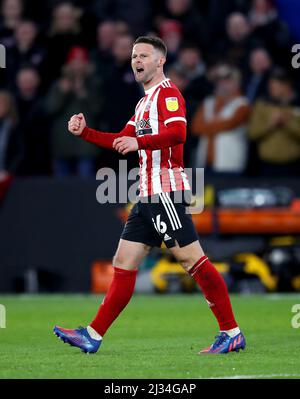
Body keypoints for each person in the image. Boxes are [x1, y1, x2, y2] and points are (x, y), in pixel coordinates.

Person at [53, 36, 246, 355]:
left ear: (160, 61)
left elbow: (179, 133)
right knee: (124, 261)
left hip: (165, 191)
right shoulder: (143, 102)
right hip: (147, 196)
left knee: (190, 259)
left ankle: (231, 331)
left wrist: (139, 144)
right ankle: (92, 334)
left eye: (144, 55)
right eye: (133, 56)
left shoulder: (168, 94)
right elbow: (121, 140)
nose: (136, 60)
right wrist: (85, 132)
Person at [191, 64, 251, 174]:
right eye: (220, 81)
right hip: (204, 162)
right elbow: (196, 128)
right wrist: (216, 124)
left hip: (230, 164)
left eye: (228, 81)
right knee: (197, 191)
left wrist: (208, 125)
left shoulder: (243, 104)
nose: (223, 85)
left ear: (237, 83)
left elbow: (230, 124)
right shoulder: (208, 102)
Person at [248, 68, 300, 176]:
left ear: (286, 86)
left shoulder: (297, 104)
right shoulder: (262, 104)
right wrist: (270, 125)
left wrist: (287, 123)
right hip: (266, 166)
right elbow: (252, 134)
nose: (271, 90)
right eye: (270, 86)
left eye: (275, 86)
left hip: (293, 167)